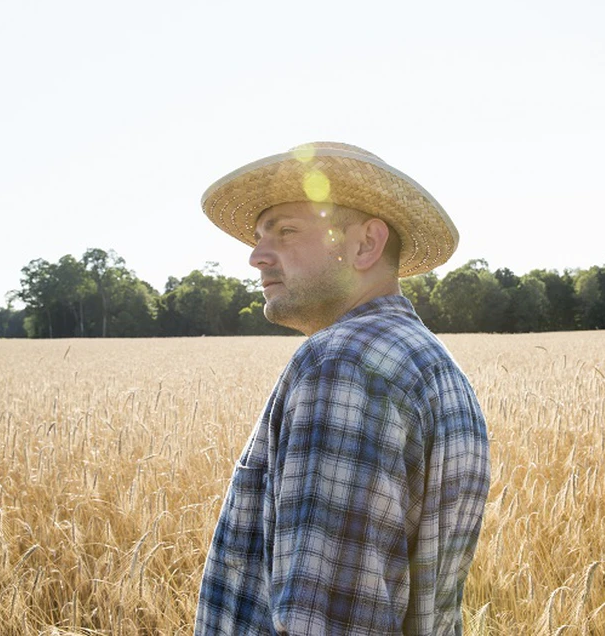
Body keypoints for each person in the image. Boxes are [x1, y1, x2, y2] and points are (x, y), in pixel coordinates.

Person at [194, 142, 490, 635]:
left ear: (365, 244)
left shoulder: (343, 364)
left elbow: (328, 621)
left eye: (286, 231)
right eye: (259, 235)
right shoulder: (432, 364)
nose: (256, 256)